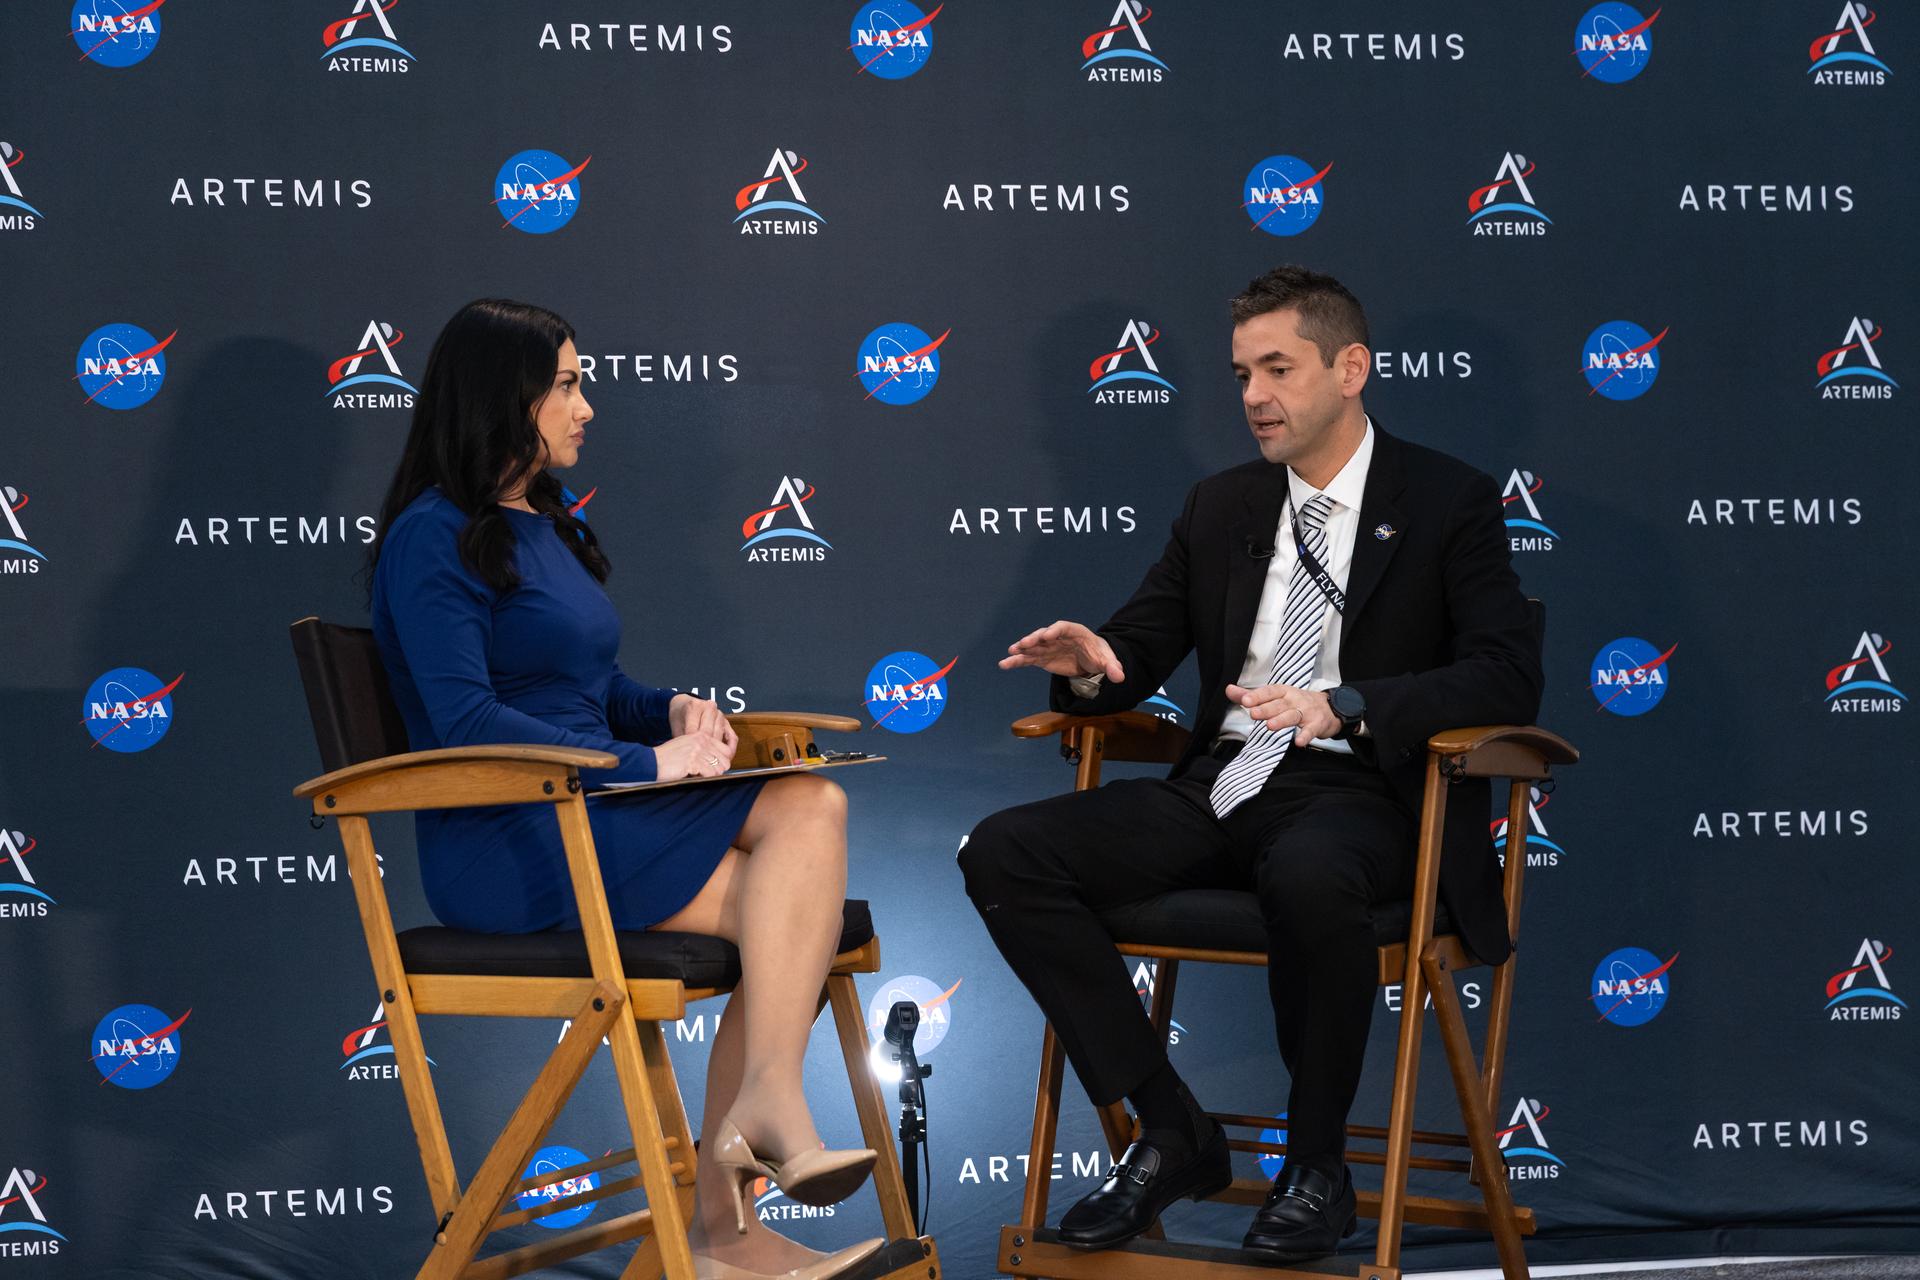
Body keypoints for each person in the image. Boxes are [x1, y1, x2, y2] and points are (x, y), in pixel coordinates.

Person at [958, 266, 1542, 1263]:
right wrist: (1093, 666)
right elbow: (1137, 646)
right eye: (1241, 375)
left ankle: (1316, 1168)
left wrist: (1348, 703)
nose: (1255, 397)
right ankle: (1171, 1128)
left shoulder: (1449, 500)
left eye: (1278, 369)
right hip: (1221, 786)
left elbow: (1506, 675)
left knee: (1310, 869)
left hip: (1360, 792)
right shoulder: (1220, 505)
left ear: (1350, 369)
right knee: (1004, 851)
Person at [367, 298, 881, 1280]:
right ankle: (733, 1204)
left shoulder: (543, 520)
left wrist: (670, 709)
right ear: (503, 395)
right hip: (508, 840)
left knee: (807, 827)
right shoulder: (432, 536)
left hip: (591, 812)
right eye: (565, 384)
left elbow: (589, 687)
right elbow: (467, 719)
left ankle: (743, 1175)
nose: (587, 405)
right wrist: (646, 764)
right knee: (797, 903)